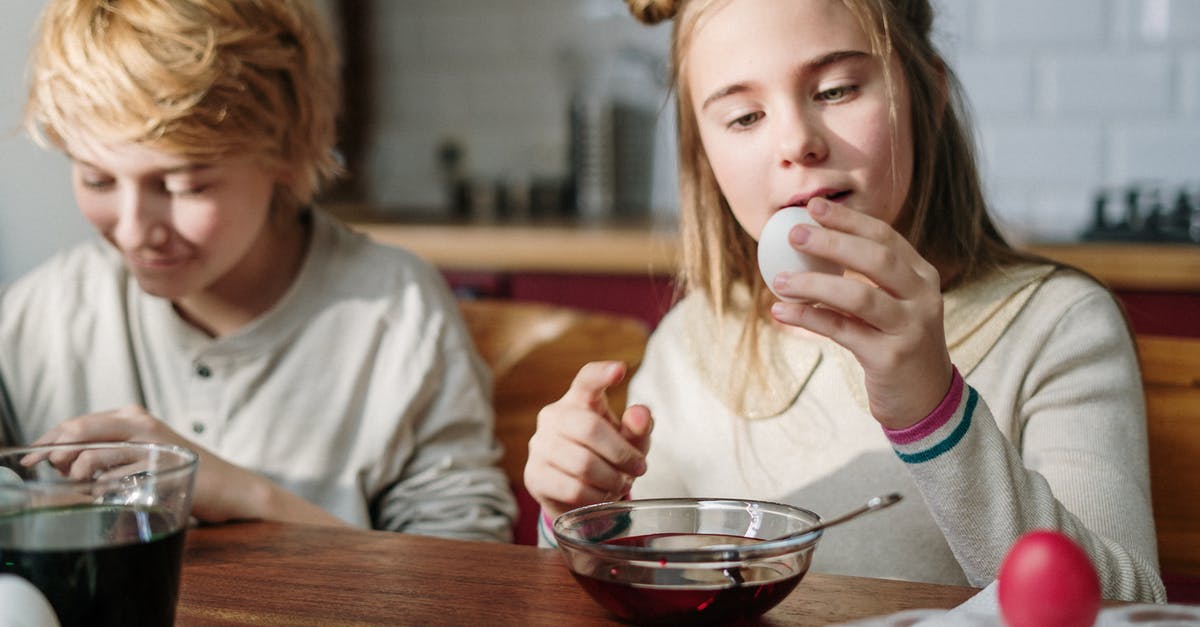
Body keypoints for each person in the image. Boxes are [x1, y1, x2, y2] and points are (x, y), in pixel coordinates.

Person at [524, 0, 1165, 602]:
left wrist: (933, 410)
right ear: (704, 154)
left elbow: (1123, 606)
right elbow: (634, 583)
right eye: (745, 116)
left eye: (836, 90)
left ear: (928, 95)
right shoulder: (691, 341)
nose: (796, 142)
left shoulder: (1057, 326)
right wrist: (580, 512)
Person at [0, 0, 515, 542]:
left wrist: (247, 498)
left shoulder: (399, 316)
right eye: (98, 180)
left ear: (284, 153)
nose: (133, 230)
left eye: (184, 186)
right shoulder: (35, 319)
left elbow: (463, 583)